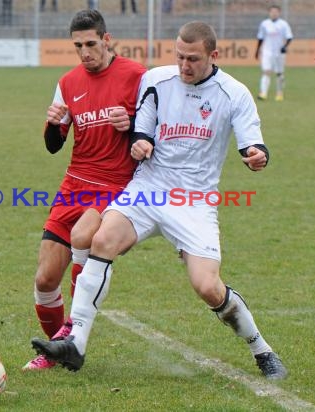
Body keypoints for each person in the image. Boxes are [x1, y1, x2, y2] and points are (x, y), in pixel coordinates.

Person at [32, 21, 288, 380]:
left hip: (194, 201)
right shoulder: (157, 79)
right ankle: (76, 342)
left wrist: (257, 155)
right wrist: (141, 141)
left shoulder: (235, 93)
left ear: (213, 56)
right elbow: (143, 128)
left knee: (207, 287)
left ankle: (261, 349)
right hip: (149, 189)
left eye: (193, 59)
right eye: (179, 56)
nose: (184, 66)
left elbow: (252, 142)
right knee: (100, 240)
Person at [22, 9, 146, 371]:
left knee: (82, 236)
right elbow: (52, 146)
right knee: (45, 278)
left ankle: (73, 338)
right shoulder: (68, 82)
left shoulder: (137, 77)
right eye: (78, 46)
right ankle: (56, 353)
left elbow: (156, 131)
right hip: (74, 183)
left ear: (107, 40)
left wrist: (133, 124)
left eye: (91, 44)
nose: (85, 52)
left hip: (115, 185)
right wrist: (52, 124)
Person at [255, 5, 293, 101]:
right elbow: (260, 38)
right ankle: (263, 93)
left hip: (279, 52)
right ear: (269, 13)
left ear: (279, 13)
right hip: (267, 52)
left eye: (276, 12)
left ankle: (279, 93)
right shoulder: (264, 24)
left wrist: (285, 46)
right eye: (272, 12)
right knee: (266, 71)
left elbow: (289, 37)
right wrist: (257, 50)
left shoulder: (283, 24)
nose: (274, 13)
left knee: (279, 73)